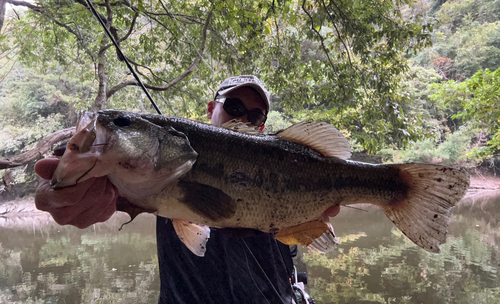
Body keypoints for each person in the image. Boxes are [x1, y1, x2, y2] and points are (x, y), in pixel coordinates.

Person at [34, 75, 340, 304]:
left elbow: (310, 232)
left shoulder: (289, 164)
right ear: (211, 109)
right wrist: (67, 190)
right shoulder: (151, 168)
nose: (243, 117)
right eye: (233, 106)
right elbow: (100, 187)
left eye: (255, 115)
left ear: (261, 125)